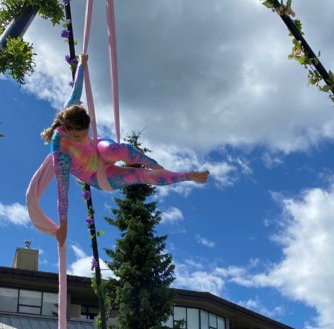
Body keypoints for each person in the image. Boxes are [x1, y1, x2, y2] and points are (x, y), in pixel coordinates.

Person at [34, 54, 209, 246]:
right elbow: (62, 191)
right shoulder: (60, 152)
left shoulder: (71, 110)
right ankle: (189, 176)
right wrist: (63, 226)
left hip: (99, 150)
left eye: (84, 134)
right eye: (77, 137)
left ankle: (156, 165)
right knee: (142, 175)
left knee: (122, 149)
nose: (81, 139)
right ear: (66, 128)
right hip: (100, 176)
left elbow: (77, 88)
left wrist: (82, 65)